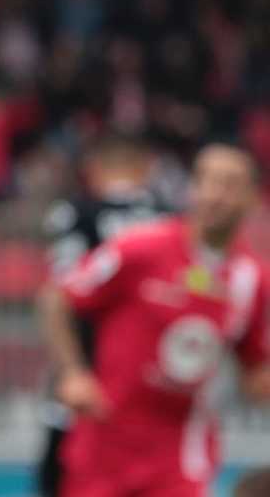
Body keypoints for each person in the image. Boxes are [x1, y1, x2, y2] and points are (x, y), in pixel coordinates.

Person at [38, 143, 270, 497]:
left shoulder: (252, 280)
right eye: (206, 181)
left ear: (253, 198)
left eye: (229, 184)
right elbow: (57, 298)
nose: (215, 194)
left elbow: (255, 372)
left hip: (179, 455)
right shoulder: (139, 247)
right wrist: (72, 373)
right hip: (104, 445)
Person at [35, 136, 168, 497]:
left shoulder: (77, 211)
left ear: (92, 170)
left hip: (88, 365)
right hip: (153, 375)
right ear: (145, 170)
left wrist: (70, 368)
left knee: (67, 472)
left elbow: (58, 291)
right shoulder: (169, 217)